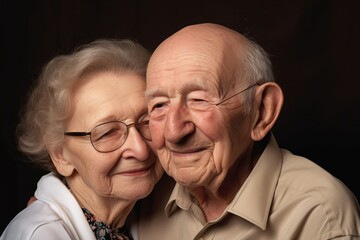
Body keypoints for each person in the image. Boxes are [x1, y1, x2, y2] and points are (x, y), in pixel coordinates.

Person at [135, 23, 360, 239]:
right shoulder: (144, 197)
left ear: (261, 111)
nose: (173, 132)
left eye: (198, 100)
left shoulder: (320, 215)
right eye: (159, 105)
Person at [1, 39, 163, 240]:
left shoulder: (141, 215)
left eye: (147, 122)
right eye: (107, 133)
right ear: (60, 155)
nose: (140, 150)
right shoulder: (41, 235)